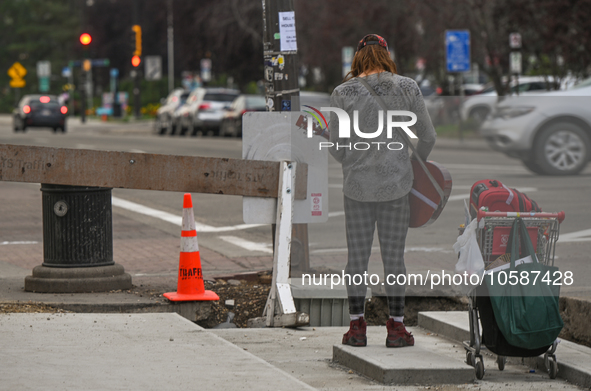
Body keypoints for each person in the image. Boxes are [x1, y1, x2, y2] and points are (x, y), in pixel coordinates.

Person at [328, 34, 436, 348]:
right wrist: (413, 163)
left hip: (357, 188)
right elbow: (427, 136)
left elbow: (336, 146)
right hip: (396, 187)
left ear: (358, 57)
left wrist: (353, 162)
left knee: (356, 260)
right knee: (394, 259)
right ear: (386, 55)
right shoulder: (408, 87)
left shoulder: (342, 93)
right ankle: (397, 329)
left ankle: (356, 327)